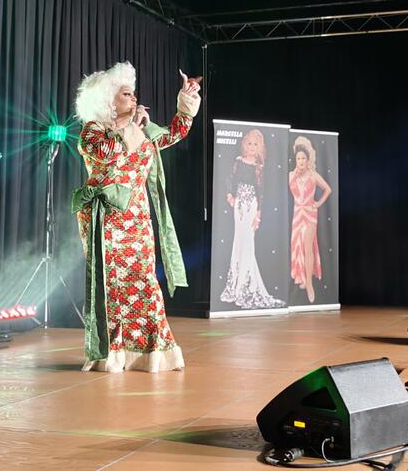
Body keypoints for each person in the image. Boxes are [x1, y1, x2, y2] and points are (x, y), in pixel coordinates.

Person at [72, 61, 200, 373]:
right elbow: (108, 153)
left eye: (133, 93)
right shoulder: (93, 130)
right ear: (108, 100)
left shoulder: (138, 129)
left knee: (144, 281)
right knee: (112, 285)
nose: (134, 98)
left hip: (138, 217)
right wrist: (129, 126)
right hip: (107, 218)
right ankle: (113, 352)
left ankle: (150, 350)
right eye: (126, 94)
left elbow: (174, 134)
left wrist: (186, 99)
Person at [220, 129, 285, 309]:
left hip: (251, 206)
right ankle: (236, 285)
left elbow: (261, 192)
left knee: (248, 244)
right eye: (249, 143)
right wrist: (230, 196)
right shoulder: (238, 162)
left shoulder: (259, 167)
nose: (251, 147)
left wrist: (258, 214)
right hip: (239, 204)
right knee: (238, 242)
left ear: (259, 148)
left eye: (255, 144)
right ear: (244, 145)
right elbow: (229, 179)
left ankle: (246, 286)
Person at [289, 135, 332, 303]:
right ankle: (301, 276)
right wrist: (295, 175)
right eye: (298, 158)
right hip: (297, 214)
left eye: (303, 158)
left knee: (308, 247)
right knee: (298, 247)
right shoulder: (291, 175)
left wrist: (318, 203)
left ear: (308, 160)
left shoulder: (313, 175)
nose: (300, 161)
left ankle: (309, 283)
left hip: (310, 214)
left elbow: (328, 189)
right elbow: (290, 188)